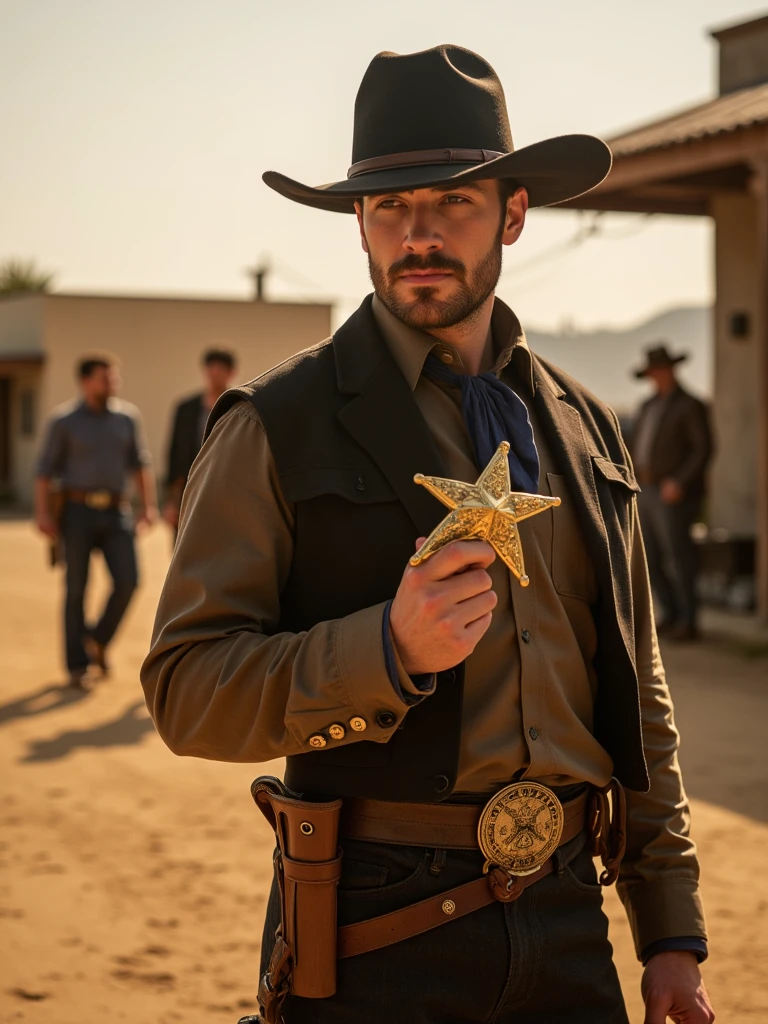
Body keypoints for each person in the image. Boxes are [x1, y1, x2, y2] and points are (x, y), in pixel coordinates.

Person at [142, 46, 714, 1024]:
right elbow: (188, 692)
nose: (419, 234)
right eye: (390, 208)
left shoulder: (587, 428)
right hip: (375, 928)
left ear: (515, 212)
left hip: (571, 919)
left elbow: (638, 688)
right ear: (359, 223)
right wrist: (384, 650)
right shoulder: (275, 423)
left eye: (453, 202)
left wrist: (669, 928)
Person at [36, 352, 156, 687]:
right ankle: (77, 665)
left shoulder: (126, 418)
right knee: (76, 589)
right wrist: (43, 513)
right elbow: (44, 471)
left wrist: (148, 507)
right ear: (85, 381)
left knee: (129, 581)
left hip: (117, 511)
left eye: (114, 377)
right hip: (76, 512)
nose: (112, 383)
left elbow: (140, 463)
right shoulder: (63, 421)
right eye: (105, 378)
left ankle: (98, 639)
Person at [630, 344, 713, 641]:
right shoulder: (648, 405)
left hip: (674, 492)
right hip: (647, 489)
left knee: (680, 556)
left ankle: (689, 621)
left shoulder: (690, 405)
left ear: (671, 370)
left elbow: (702, 449)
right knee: (650, 555)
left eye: (660, 370)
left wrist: (680, 481)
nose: (657, 376)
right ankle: (672, 613)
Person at [162, 347, 238, 530]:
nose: (214, 374)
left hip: (229, 488)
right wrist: (172, 500)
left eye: (220, 369)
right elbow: (175, 453)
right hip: (191, 487)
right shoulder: (187, 408)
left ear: (231, 373)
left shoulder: (239, 406)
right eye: (211, 368)